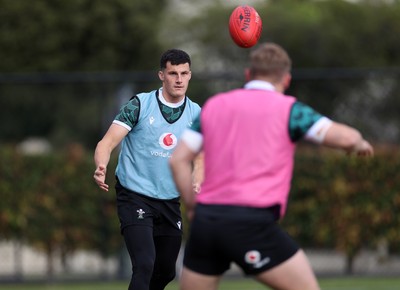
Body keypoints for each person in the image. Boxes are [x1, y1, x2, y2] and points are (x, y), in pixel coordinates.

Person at [169, 42, 373, 290]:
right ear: (286, 80)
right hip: (250, 223)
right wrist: (360, 143)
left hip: (207, 223)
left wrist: (192, 205)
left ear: (248, 75)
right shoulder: (289, 110)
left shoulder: (215, 105)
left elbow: (178, 159)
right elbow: (347, 138)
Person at [93, 49, 201, 290]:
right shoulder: (139, 105)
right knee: (144, 264)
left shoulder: (195, 113)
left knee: (165, 272)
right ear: (161, 75)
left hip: (169, 199)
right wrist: (101, 165)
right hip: (135, 194)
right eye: (173, 73)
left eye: (184, 73)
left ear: (190, 75)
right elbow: (107, 142)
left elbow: (202, 153)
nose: (179, 79)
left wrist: (197, 175)